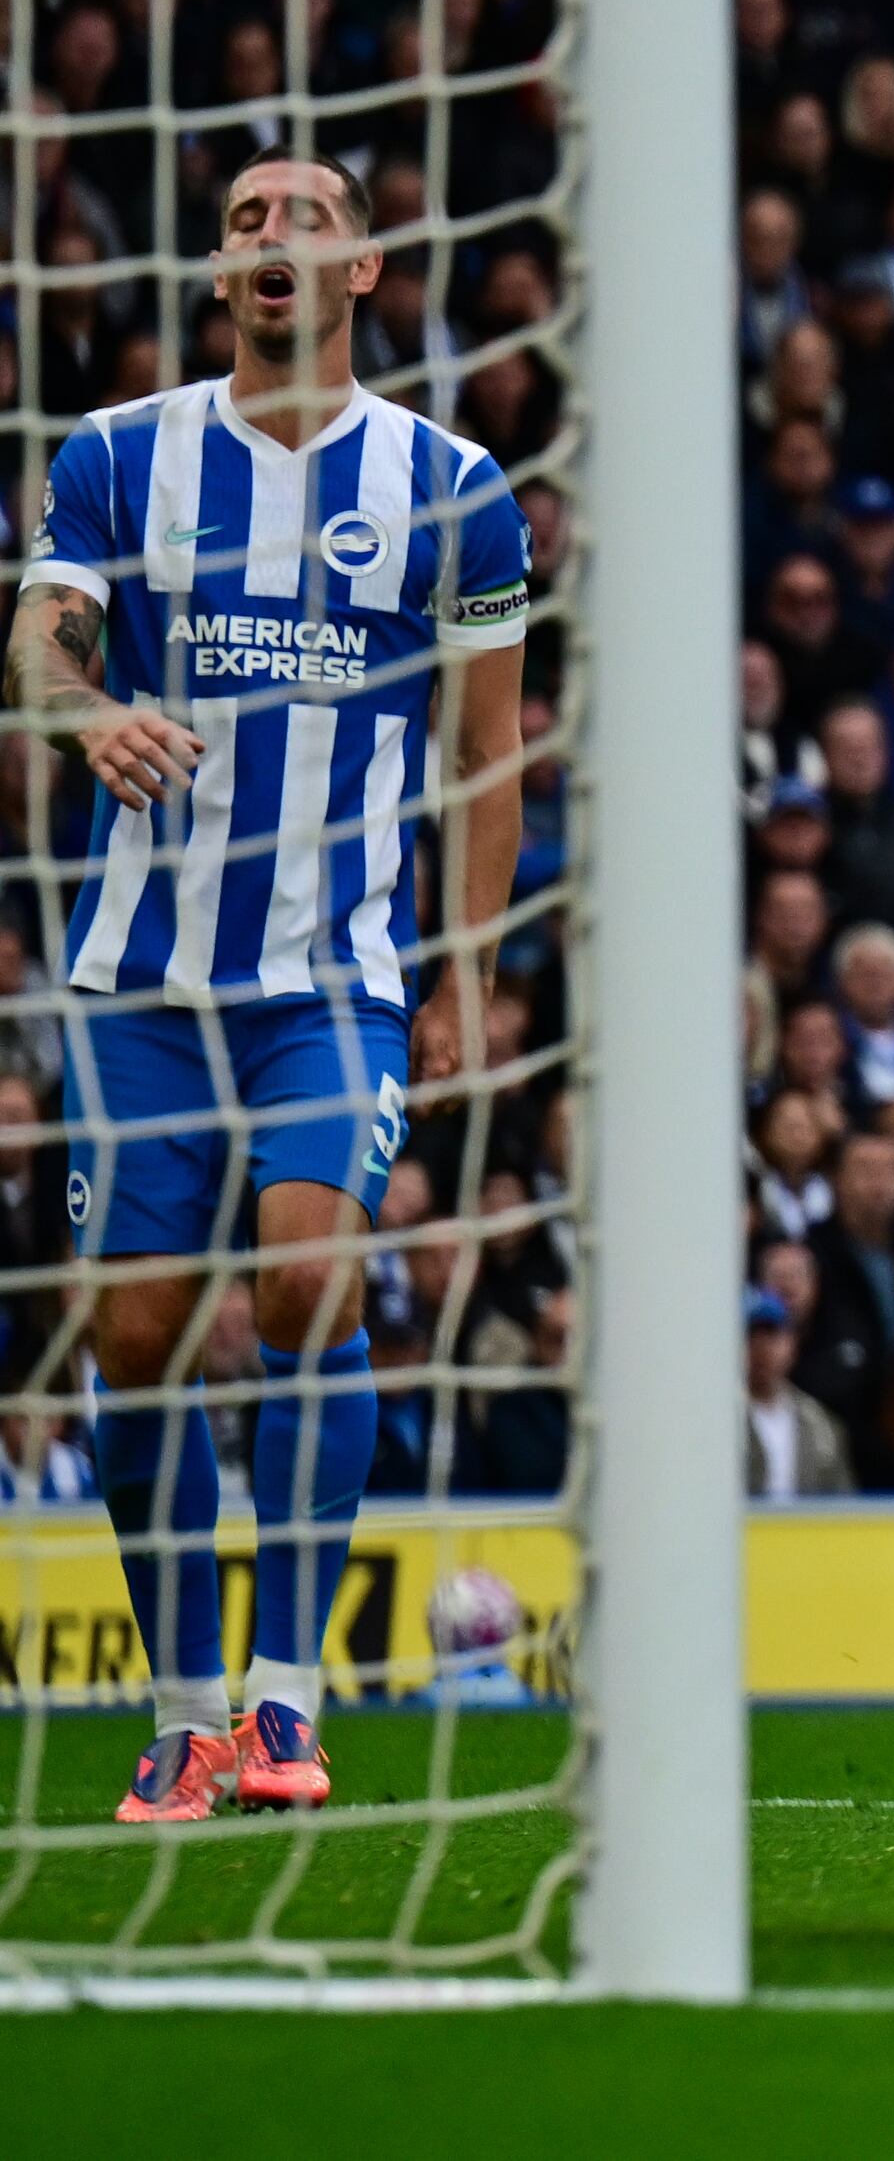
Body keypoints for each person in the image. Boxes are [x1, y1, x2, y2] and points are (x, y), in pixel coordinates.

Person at [25, 153, 531, 1822]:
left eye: (304, 215)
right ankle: (181, 1713)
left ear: (369, 265)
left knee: (313, 1282)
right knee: (139, 1325)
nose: (269, 240)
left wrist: (460, 976)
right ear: (220, 267)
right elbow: (37, 641)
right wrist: (83, 710)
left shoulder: (455, 484)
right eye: (246, 219)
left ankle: (287, 1702)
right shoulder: (119, 453)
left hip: (336, 971)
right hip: (138, 976)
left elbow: (483, 752)